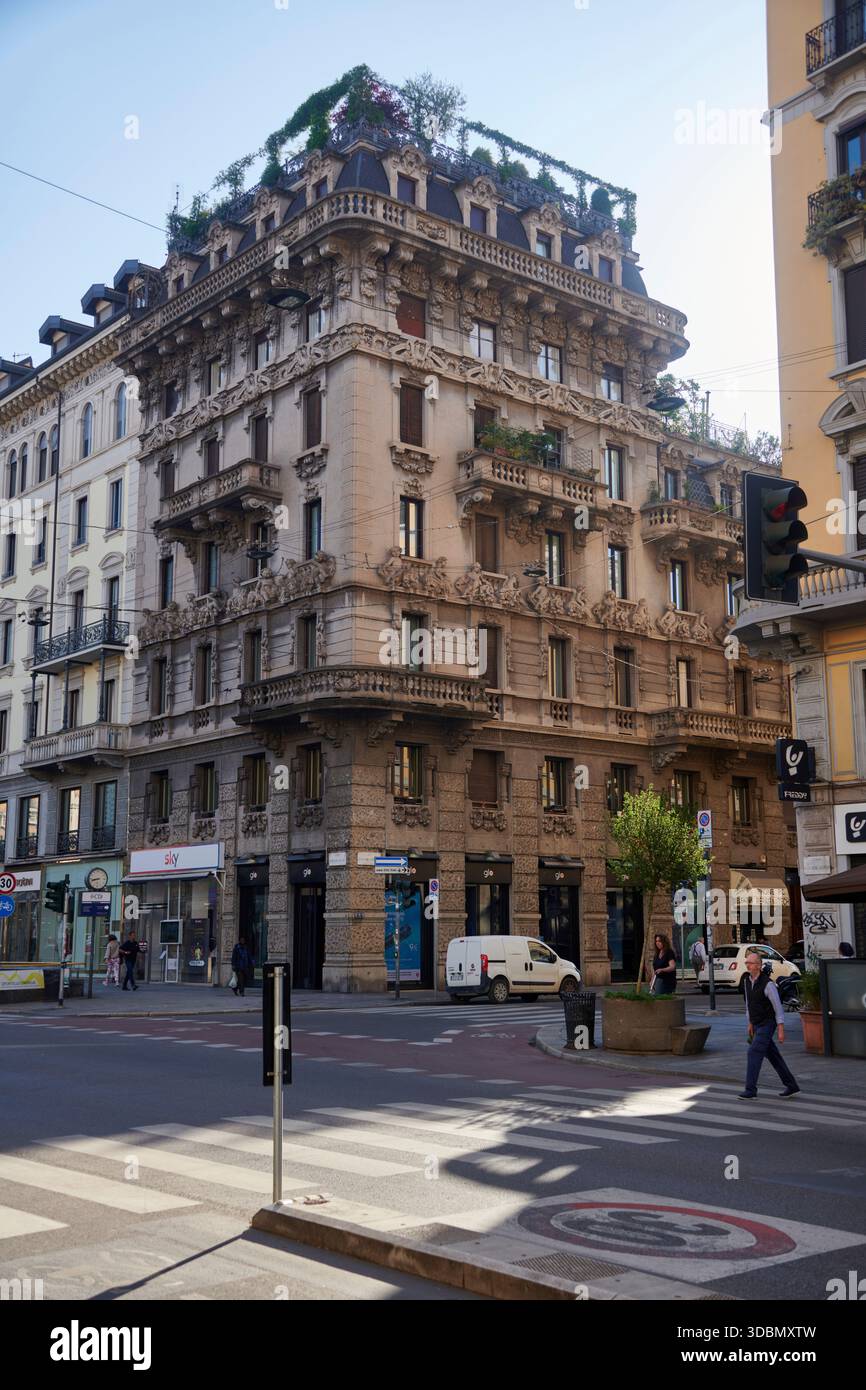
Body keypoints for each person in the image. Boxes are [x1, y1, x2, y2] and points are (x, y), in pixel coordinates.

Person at [739, 948, 800, 1099]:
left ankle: (750, 1090)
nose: (748, 965)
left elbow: (778, 1008)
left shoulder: (768, 984)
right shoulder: (747, 981)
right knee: (773, 1056)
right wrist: (750, 1023)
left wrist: (780, 1029)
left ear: (758, 965)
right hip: (757, 1023)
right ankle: (792, 1086)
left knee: (753, 1052)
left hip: (768, 1023)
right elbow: (749, 1004)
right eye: (747, 962)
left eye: (751, 963)